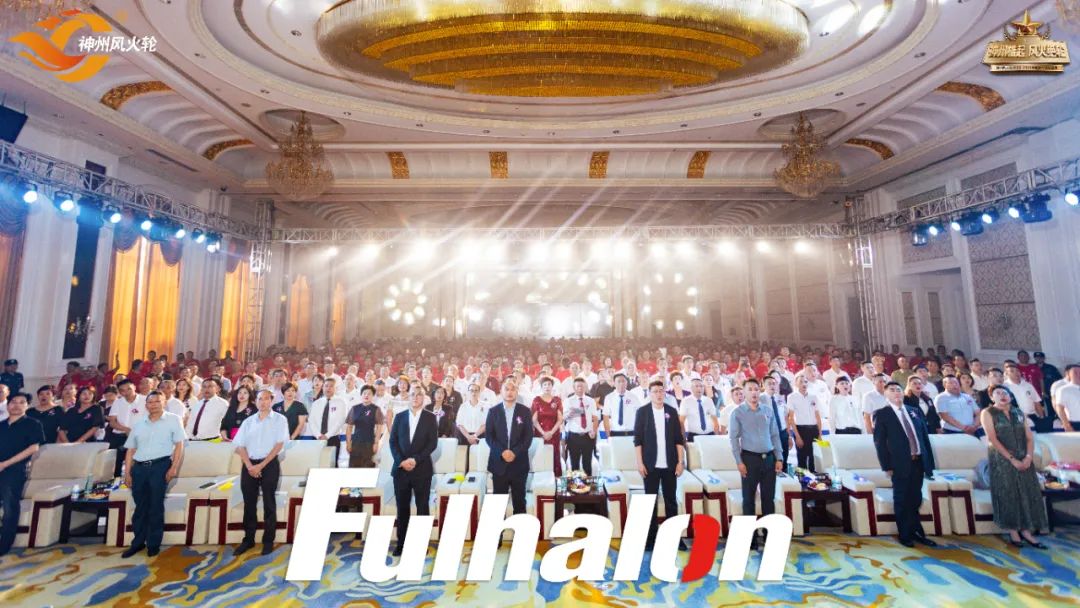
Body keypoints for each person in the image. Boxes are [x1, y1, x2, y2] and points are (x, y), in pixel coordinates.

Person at [981, 386, 1048, 548]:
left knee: (1026, 492)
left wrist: (1028, 457)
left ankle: (1026, 531)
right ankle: (1013, 532)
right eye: (997, 393)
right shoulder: (988, 413)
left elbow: (1029, 438)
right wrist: (1012, 460)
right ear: (992, 398)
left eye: (1005, 393)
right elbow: (992, 439)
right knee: (1008, 493)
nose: (1002, 395)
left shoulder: (1018, 412)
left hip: (1023, 456)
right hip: (1002, 459)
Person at [872, 382, 937, 548]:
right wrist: (887, 466)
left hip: (918, 461)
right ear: (886, 395)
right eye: (892, 390)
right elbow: (879, 443)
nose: (896, 392)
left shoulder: (914, 411)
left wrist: (928, 462)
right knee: (901, 499)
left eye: (898, 390)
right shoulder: (882, 414)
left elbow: (924, 438)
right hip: (899, 464)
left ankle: (917, 532)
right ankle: (905, 534)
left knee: (915, 499)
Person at [121, 391, 185, 558]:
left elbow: (179, 445)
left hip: (160, 466)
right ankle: (137, 543)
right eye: (150, 402)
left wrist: (174, 467)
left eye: (158, 401)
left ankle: (153, 544)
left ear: (164, 403)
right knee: (140, 507)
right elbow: (130, 450)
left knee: (155, 506)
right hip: (139, 469)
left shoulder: (173, 419)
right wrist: (127, 473)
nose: (154, 405)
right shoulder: (139, 423)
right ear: (146, 405)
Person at [232, 389, 289, 556]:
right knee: (249, 503)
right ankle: (248, 540)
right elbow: (239, 445)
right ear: (255, 401)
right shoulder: (248, 421)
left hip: (269, 464)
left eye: (266, 399)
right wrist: (250, 466)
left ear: (271, 401)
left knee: (269, 503)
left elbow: (279, 445)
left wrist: (261, 466)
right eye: (259, 399)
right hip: (249, 465)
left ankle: (268, 541)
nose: (262, 402)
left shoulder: (280, 420)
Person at [728, 378, 783, 550]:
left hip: (769, 459)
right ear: (744, 392)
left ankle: (768, 536)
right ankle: (749, 538)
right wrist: (739, 462)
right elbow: (733, 439)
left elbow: (775, 435)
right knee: (748, 499)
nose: (754, 393)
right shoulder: (737, 413)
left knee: (768, 499)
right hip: (749, 459)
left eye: (756, 389)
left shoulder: (767, 410)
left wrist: (779, 457)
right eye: (750, 389)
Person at [634, 380, 687, 551]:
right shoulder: (643, 412)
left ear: (665, 393)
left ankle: (675, 538)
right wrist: (640, 463)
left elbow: (679, 439)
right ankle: (650, 539)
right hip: (650, 465)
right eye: (655, 391)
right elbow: (638, 440)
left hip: (670, 465)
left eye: (661, 391)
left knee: (671, 502)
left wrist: (680, 462)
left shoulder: (671, 411)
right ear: (650, 394)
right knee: (650, 502)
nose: (658, 394)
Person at [388, 383, 438, 557]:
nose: (415, 397)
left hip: (422, 469)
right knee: (402, 509)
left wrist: (415, 459)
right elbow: (393, 442)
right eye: (412, 394)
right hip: (401, 470)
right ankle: (402, 544)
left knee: (422, 508)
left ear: (424, 398)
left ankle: (421, 544)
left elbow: (432, 444)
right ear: (408, 397)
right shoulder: (399, 417)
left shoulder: (430, 418)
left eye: (419, 394)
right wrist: (402, 461)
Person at [0, 393, 44, 556]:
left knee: (10, 507)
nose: (17, 405)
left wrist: (5, 464)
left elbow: (33, 448)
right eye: (13, 402)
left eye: (22, 402)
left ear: (27, 406)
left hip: (15, 471)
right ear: (7, 405)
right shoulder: (1, 425)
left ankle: (4, 546)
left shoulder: (33, 424)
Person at [484, 379, 531, 519]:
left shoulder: (525, 411)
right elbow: (489, 437)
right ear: (501, 391)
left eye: (513, 389)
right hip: (499, 463)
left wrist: (514, 452)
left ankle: (520, 531)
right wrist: (502, 452)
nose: (510, 392)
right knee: (498, 503)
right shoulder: (493, 411)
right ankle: (498, 531)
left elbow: (528, 437)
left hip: (519, 464)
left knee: (519, 502)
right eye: (507, 389)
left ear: (517, 392)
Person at [306, 377, 349, 465]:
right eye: (326, 386)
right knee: (317, 464)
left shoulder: (341, 402)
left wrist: (327, 435)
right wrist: (318, 435)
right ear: (323, 387)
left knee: (332, 464)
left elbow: (341, 420)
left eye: (331, 386)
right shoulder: (316, 403)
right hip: (317, 438)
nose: (328, 388)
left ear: (335, 388)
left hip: (333, 438)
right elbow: (311, 420)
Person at [563, 378, 599, 475]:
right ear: (574, 388)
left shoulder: (591, 401)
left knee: (587, 464)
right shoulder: (568, 401)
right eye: (578, 386)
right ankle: (576, 484)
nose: (580, 388)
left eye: (582, 386)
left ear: (585, 387)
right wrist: (573, 412)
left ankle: (587, 484)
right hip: (573, 436)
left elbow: (595, 418)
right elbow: (564, 417)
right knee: (574, 464)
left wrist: (594, 431)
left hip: (588, 435)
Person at [787, 376, 822, 472]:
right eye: (801, 382)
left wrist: (820, 434)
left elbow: (818, 416)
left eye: (806, 382)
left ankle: (814, 479)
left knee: (814, 457)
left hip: (814, 429)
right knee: (801, 459)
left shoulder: (813, 397)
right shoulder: (792, 397)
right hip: (801, 430)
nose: (804, 384)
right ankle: (802, 479)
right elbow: (791, 418)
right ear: (796, 384)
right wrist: (797, 436)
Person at [345, 385, 385, 468]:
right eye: (364, 393)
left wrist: (376, 443)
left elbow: (379, 428)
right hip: (355, 442)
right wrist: (348, 443)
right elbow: (349, 427)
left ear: (373, 396)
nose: (366, 395)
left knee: (367, 467)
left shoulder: (376, 409)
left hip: (369, 442)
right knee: (353, 467)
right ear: (361, 395)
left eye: (369, 394)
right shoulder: (354, 408)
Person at [531, 376, 564, 476]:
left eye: (549, 384)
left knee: (554, 456)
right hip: (540, 434)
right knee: (541, 457)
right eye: (544, 384)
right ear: (541, 387)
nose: (547, 386)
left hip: (554, 434)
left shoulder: (557, 400)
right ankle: (542, 480)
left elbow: (560, 419)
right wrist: (543, 433)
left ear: (552, 386)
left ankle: (556, 480)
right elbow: (534, 420)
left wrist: (551, 432)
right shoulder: (536, 400)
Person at [761, 375, 791, 468]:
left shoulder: (780, 398)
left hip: (782, 432)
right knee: (772, 461)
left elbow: (786, 416)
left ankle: (784, 475)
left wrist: (789, 435)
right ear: (763, 385)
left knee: (784, 459)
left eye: (774, 384)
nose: (772, 386)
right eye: (769, 384)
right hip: (769, 434)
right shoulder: (760, 399)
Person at [679, 377, 719, 442]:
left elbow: (715, 421)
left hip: (710, 435)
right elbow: (681, 422)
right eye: (696, 386)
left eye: (701, 386)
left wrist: (716, 437)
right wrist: (683, 439)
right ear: (691, 388)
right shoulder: (685, 401)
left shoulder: (709, 400)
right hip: (693, 436)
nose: (699, 388)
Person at [602, 372, 640, 438]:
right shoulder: (609, 398)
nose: (621, 383)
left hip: (631, 432)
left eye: (623, 381)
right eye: (619, 381)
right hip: (615, 432)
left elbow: (640, 414)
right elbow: (606, 416)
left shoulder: (633, 397)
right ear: (614, 383)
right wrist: (607, 432)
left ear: (626, 383)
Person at [1054, 365, 1080, 431]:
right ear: (1069, 374)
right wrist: (1066, 424)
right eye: (1075, 372)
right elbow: (1060, 408)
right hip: (1075, 423)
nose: (1078, 374)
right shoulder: (1063, 390)